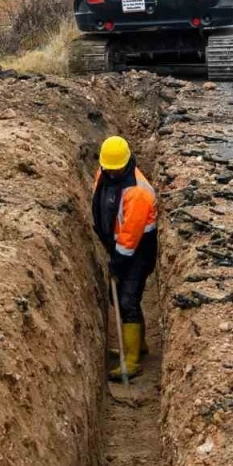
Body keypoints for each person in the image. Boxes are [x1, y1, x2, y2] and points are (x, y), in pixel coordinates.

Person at [91, 135, 158, 381]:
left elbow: (130, 237)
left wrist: (117, 264)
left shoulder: (138, 192)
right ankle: (136, 345)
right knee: (119, 297)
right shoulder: (105, 173)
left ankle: (132, 360)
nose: (110, 173)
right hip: (119, 246)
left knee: (127, 298)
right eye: (107, 169)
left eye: (114, 169)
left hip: (138, 250)